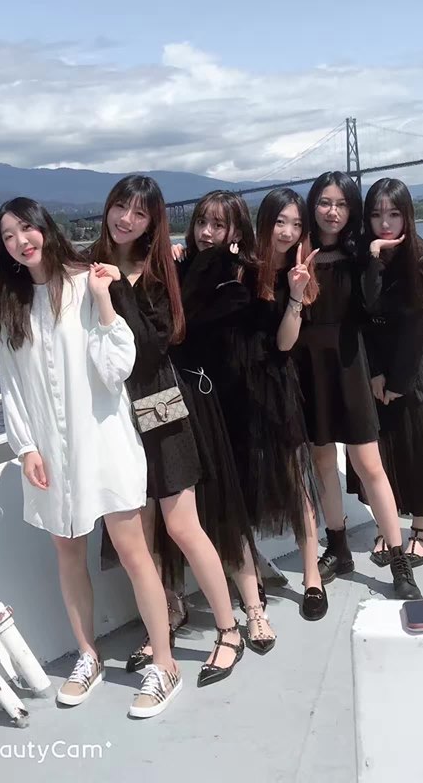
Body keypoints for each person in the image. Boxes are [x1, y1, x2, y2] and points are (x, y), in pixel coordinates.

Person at [0, 197, 181, 719]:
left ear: (45, 228)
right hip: (50, 452)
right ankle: (88, 654)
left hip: (104, 440)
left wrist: (105, 301)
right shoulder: (11, 306)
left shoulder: (87, 282)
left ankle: (165, 663)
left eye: (26, 228)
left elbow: (118, 367)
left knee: (134, 550)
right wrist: (26, 447)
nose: (20, 241)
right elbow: (11, 385)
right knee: (67, 553)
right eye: (8, 236)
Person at [89, 176, 245, 687]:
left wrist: (118, 287)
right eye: (120, 207)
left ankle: (229, 630)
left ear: (152, 222)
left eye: (139, 213)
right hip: (112, 415)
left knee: (182, 524)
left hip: (160, 406)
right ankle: (164, 622)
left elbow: (153, 346)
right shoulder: (88, 266)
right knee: (142, 532)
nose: (126, 219)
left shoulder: (159, 272)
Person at [294, 171, 422, 600]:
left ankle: (399, 560)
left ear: (351, 209)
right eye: (324, 202)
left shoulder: (357, 253)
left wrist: (371, 257)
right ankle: (339, 547)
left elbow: (371, 306)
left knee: (369, 465)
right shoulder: (298, 252)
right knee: (322, 462)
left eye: (342, 204)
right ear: (313, 205)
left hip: (349, 363)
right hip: (309, 367)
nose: (332, 212)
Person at [175, 190, 277, 650]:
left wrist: (209, 265)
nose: (206, 232)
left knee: (231, 505)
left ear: (236, 230)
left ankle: (253, 605)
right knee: (197, 507)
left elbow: (196, 323)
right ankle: (209, 593)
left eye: (218, 225)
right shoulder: (185, 268)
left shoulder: (243, 276)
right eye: (202, 222)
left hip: (232, 402)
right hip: (194, 398)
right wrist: (188, 262)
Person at [346, 178, 423, 565]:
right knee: (383, 451)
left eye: (394, 214)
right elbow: (362, 312)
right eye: (376, 214)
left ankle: (419, 528)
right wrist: (373, 260)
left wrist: (397, 381)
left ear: (407, 216)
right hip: (375, 364)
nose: (385, 223)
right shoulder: (364, 255)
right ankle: (387, 525)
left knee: (417, 449)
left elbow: (418, 330)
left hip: (413, 369)